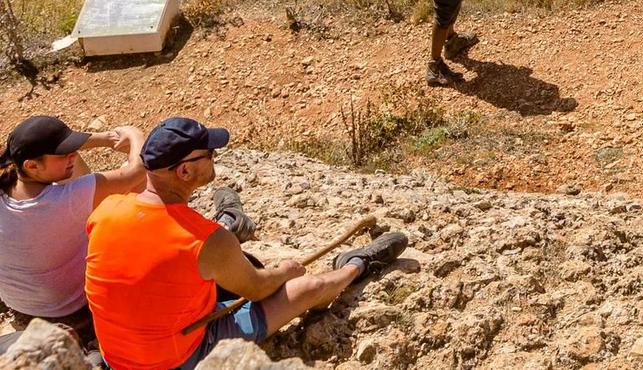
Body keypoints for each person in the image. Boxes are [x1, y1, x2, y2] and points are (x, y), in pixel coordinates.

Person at [84, 117, 408, 370]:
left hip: (118, 356)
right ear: (185, 171)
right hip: (177, 356)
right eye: (209, 154)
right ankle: (357, 266)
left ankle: (232, 221)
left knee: (218, 264)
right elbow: (256, 289)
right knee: (305, 289)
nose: (214, 158)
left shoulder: (107, 209)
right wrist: (285, 271)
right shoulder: (206, 240)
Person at [0, 116, 147, 348]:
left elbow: (61, 152)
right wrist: (135, 134)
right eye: (63, 154)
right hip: (68, 307)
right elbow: (137, 171)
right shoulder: (65, 199)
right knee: (137, 187)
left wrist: (106, 138)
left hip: (16, 300)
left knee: (76, 171)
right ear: (32, 166)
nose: (73, 155)